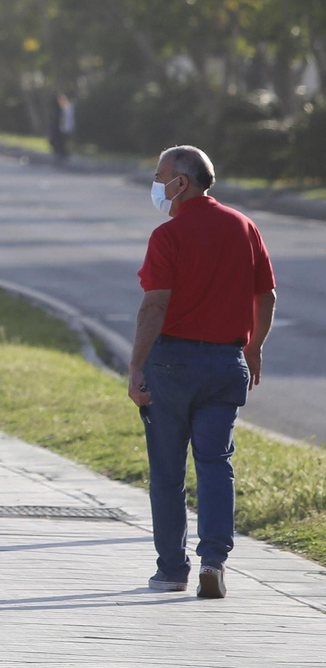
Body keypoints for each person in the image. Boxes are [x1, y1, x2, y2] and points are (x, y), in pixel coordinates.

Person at [130, 145, 275, 600]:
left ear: (182, 183)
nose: (156, 185)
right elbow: (266, 295)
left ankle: (172, 569)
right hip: (225, 363)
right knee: (215, 464)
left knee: (168, 472)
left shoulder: (168, 236)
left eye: (160, 177)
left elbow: (154, 306)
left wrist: (136, 366)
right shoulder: (243, 226)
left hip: (171, 364)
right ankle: (214, 561)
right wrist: (253, 348)